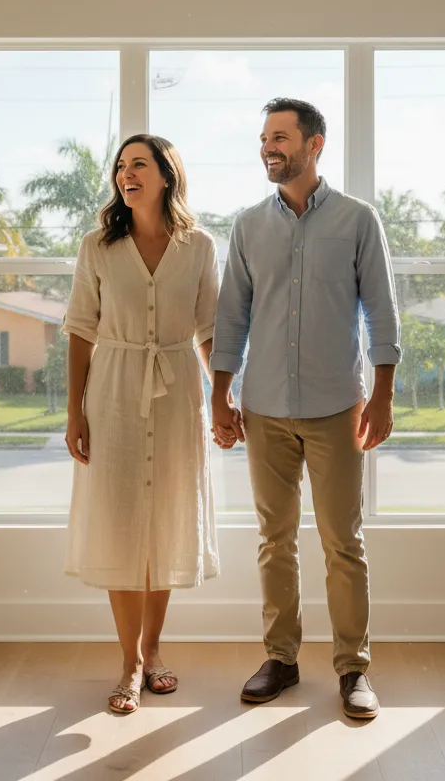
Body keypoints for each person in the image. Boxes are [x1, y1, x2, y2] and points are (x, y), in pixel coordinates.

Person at [210, 98, 400, 720]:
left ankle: (354, 669)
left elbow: (381, 311)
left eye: (282, 137)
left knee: (344, 542)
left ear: (315, 144)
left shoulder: (357, 220)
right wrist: (220, 392)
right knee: (275, 540)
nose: (270, 146)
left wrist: (384, 394)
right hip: (263, 408)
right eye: (265, 137)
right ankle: (282, 659)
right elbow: (231, 317)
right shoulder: (247, 227)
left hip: (335, 409)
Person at [62, 134, 221, 714]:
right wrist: (74, 409)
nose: (127, 175)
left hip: (181, 397)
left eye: (139, 165)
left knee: (166, 521)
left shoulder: (199, 246)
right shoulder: (97, 247)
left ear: (166, 175)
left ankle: (153, 651)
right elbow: (81, 329)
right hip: (114, 395)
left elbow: (210, 332)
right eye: (121, 167)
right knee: (122, 522)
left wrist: (224, 398)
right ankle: (128, 663)